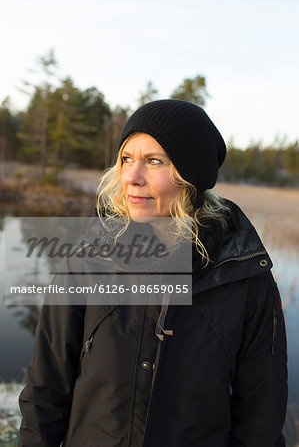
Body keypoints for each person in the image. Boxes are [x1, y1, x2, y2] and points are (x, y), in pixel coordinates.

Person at [18, 99, 288, 447]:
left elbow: (260, 416)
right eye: (126, 159)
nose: (131, 176)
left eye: (154, 161)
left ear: (190, 177)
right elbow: (46, 391)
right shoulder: (85, 263)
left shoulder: (244, 277)